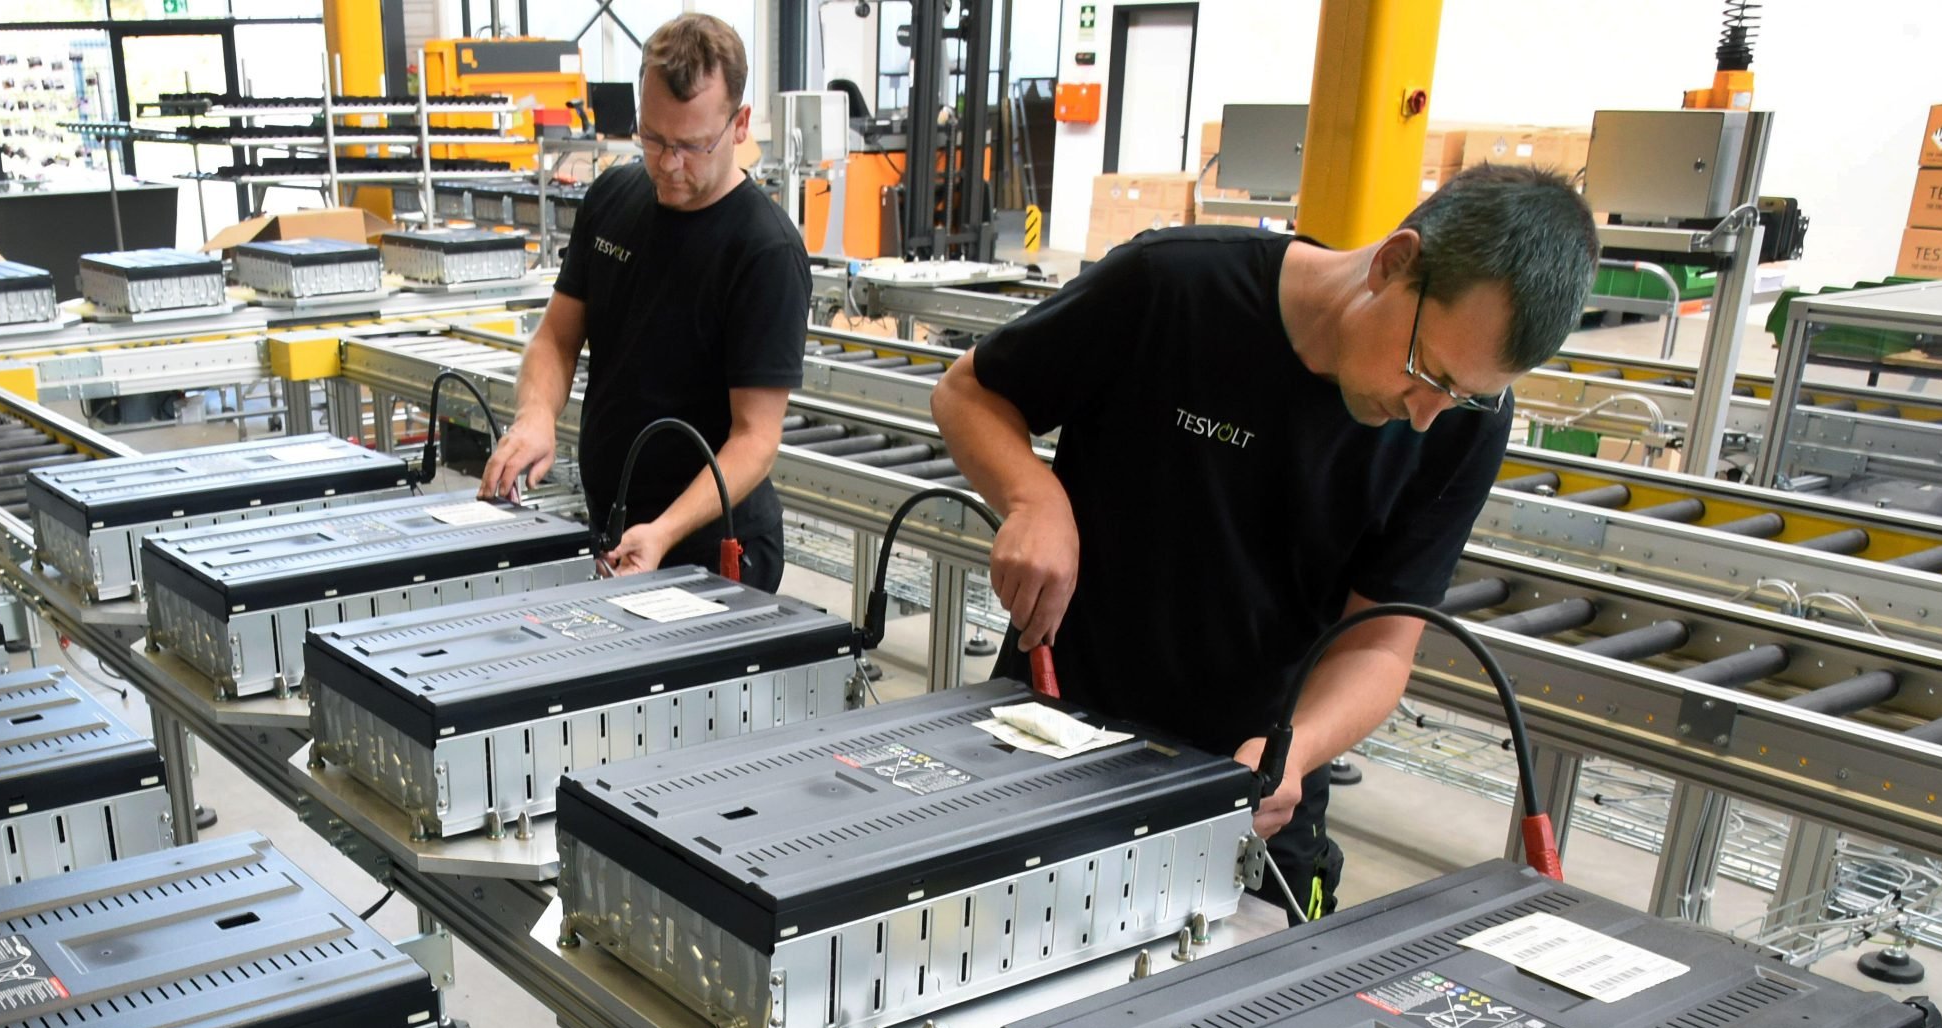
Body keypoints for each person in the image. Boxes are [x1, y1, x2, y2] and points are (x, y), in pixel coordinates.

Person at [932, 165, 1597, 919]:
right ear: (1393, 263)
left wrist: (1296, 750)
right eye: (1426, 372)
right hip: (1055, 741)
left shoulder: (1461, 423)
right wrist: (1033, 495)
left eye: (1464, 393)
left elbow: (1380, 644)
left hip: (1253, 806)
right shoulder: (1173, 288)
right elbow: (969, 391)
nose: (1424, 415)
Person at [478, 15, 812, 591]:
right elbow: (557, 338)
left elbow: (755, 439)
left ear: (739, 125)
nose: (667, 163)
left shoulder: (764, 251)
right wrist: (536, 417)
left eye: (690, 145)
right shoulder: (613, 197)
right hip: (616, 528)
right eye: (653, 138)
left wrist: (664, 530)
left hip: (713, 545)